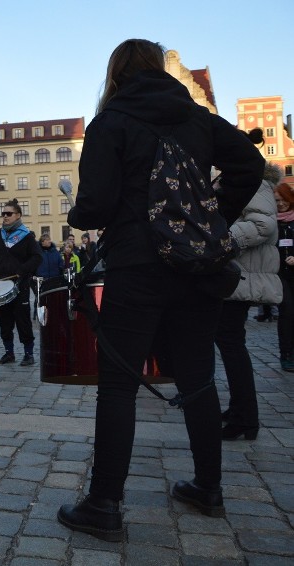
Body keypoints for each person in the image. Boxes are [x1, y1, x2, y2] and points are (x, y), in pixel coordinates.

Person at [57, 39, 265, 541]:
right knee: (198, 376)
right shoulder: (195, 118)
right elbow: (249, 166)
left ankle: (105, 503)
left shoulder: (110, 122)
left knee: (119, 385)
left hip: (137, 264)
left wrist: (79, 214)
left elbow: (97, 205)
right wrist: (213, 219)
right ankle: (209, 489)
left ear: (116, 74)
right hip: (196, 267)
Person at [215, 159, 282, 441]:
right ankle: (241, 410)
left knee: (231, 344)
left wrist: (221, 239)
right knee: (230, 343)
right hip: (236, 275)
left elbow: (262, 225)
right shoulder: (240, 181)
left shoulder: (254, 183)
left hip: (241, 276)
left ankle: (246, 418)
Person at [0, 200, 41, 366]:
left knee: (23, 321)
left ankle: (28, 354)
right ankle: (9, 353)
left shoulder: (26, 236)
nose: (5, 216)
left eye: (8, 213)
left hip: (20, 285)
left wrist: (22, 270)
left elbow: (37, 257)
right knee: (4, 322)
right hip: (1, 285)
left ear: (18, 215)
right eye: (3, 213)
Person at [275, 181, 294, 372]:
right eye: (277, 201)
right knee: (287, 312)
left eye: (283, 200)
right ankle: (286, 354)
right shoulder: (273, 222)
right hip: (280, 274)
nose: (280, 204)